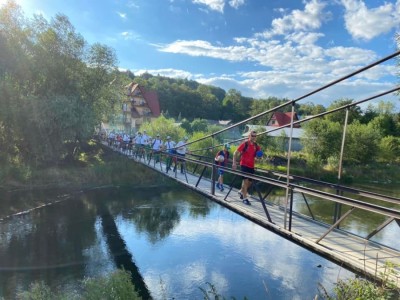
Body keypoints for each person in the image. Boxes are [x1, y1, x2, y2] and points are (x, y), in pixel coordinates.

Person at [232, 131, 262, 205]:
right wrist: (234, 163)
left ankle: (241, 192)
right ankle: (245, 199)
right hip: (244, 165)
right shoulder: (245, 144)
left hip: (251, 166)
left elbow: (259, 156)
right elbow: (235, 152)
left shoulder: (256, 145)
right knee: (245, 182)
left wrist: (259, 157)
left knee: (249, 183)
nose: (254, 137)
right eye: (252, 135)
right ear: (249, 136)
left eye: (255, 136)